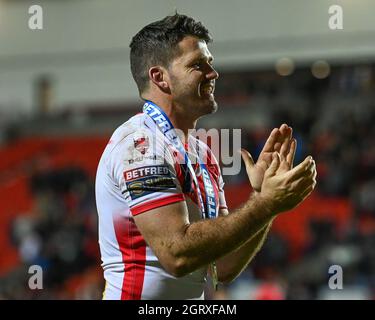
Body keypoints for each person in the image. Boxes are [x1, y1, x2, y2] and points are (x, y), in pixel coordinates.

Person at [95, 13, 317, 300]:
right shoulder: (141, 145)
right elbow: (176, 254)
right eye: (198, 65)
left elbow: (223, 266)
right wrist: (263, 205)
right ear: (159, 77)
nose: (213, 74)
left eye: (210, 63)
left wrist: (266, 201)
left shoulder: (202, 153)